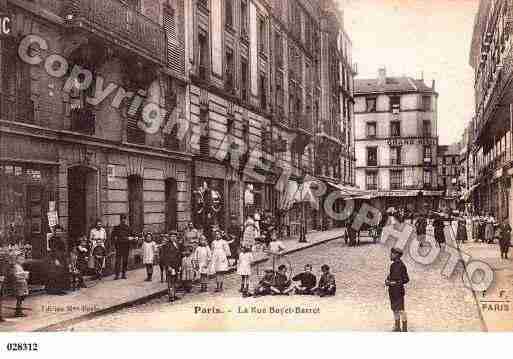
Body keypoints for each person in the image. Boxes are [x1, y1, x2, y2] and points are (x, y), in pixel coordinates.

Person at [386, 248, 410, 332]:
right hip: (392, 292)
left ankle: (404, 328)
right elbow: (390, 276)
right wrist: (387, 280)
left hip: (399, 292)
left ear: (396, 255)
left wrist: (396, 283)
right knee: (394, 309)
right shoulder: (392, 265)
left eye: (392, 254)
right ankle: (397, 327)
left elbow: (406, 279)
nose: (390, 255)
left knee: (401, 310)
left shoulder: (402, 266)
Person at [159, 231, 182, 301]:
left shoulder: (177, 244)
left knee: (175, 280)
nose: (173, 237)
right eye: (172, 236)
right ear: (169, 237)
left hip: (176, 265)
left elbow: (179, 255)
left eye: (174, 236)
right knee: (170, 281)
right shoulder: (166, 245)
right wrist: (168, 266)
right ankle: (171, 296)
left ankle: (174, 294)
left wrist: (180, 265)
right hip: (170, 266)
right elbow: (164, 257)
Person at [111, 214, 132, 280]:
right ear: (120, 220)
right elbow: (112, 236)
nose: (123, 220)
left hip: (126, 246)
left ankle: (123, 274)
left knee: (125, 261)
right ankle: (117, 275)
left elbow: (132, 235)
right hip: (119, 246)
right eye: (122, 219)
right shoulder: (116, 228)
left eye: (124, 219)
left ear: (125, 220)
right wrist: (114, 243)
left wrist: (133, 238)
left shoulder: (128, 228)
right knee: (118, 261)